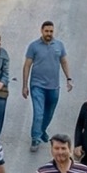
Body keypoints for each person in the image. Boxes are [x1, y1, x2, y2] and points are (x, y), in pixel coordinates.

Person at [22, 20, 73, 152]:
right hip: (37, 85)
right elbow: (27, 65)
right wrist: (25, 85)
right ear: (42, 31)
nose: (49, 33)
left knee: (49, 113)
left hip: (54, 87)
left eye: (51, 31)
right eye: (46, 31)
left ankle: (42, 129)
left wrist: (69, 78)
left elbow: (64, 62)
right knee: (39, 113)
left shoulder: (59, 45)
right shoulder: (34, 46)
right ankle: (35, 138)